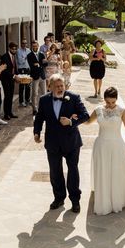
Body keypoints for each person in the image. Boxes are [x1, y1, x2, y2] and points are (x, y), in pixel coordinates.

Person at [85, 87, 125, 215]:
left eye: (113, 102)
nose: (110, 105)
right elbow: (87, 122)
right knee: (103, 171)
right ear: (104, 99)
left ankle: (116, 198)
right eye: (108, 102)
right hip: (101, 146)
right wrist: (74, 117)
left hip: (117, 146)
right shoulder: (98, 110)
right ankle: (104, 197)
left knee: (116, 171)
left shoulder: (121, 111)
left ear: (116, 100)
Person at [33, 73, 89, 213]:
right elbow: (39, 117)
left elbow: (85, 115)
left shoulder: (74, 97)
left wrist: (71, 122)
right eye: (56, 86)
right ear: (50, 86)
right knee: (55, 172)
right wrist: (37, 132)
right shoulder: (44, 100)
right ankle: (59, 198)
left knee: (73, 171)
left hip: (71, 142)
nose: (59, 88)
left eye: (62, 86)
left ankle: (75, 200)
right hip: (52, 142)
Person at [0, 43, 19, 120]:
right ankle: (6, 114)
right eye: (13, 49)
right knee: (7, 96)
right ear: (9, 49)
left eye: (15, 49)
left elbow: (14, 66)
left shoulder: (14, 56)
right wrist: (14, 76)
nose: (14, 50)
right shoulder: (4, 57)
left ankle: (10, 112)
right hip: (5, 79)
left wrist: (18, 75)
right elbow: (4, 70)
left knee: (11, 96)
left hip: (11, 79)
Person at [27, 39, 47, 116]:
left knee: (44, 93)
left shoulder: (42, 54)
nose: (35, 47)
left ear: (38, 46)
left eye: (36, 46)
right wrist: (40, 64)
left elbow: (45, 64)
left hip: (42, 76)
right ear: (32, 47)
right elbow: (32, 66)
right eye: (33, 46)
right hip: (35, 77)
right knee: (34, 93)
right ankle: (35, 109)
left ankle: (43, 108)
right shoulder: (29, 55)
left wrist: (38, 64)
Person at [17, 39, 31, 107]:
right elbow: (20, 61)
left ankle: (27, 100)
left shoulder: (28, 50)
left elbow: (30, 60)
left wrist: (24, 58)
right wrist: (26, 57)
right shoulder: (18, 51)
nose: (24, 44)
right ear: (21, 43)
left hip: (28, 69)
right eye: (23, 43)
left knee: (28, 85)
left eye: (25, 43)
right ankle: (21, 101)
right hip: (21, 69)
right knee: (22, 86)